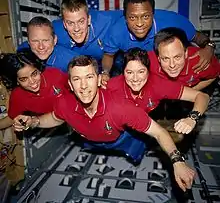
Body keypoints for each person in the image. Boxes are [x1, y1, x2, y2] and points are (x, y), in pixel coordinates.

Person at [13, 55, 195, 192]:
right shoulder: (64, 103)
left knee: (137, 150)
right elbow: (54, 117)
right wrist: (35, 121)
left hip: (123, 138)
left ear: (99, 79)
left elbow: (159, 132)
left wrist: (177, 162)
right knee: (93, 144)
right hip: (89, 140)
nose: (83, 86)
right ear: (69, 83)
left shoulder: (122, 108)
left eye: (89, 77)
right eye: (77, 79)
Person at [101, 0, 216, 85]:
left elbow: (197, 36)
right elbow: (108, 55)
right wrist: (105, 72)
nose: (140, 23)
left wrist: (209, 46)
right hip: (137, 68)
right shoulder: (116, 31)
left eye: (146, 16)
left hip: (169, 69)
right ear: (125, 17)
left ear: (153, 14)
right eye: (132, 18)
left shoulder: (174, 22)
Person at [106, 47, 209, 135]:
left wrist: (192, 118)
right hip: (115, 128)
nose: (135, 78)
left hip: (142, 128)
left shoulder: (158, 85)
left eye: (141, 71)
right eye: (129, 72)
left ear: (148, 72)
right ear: (123, 73)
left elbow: (202, 96)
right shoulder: (111, 86)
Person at [0, 51, 68, 130]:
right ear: (16, 81)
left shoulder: (55, 75)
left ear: (39, 69)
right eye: (23, 79)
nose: (32, 82)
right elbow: (12, 118)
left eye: (34, 74)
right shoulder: (17, 97)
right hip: (51, 121)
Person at [52, 0, 123, 68]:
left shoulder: (105, 20)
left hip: (113, 62)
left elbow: (128, 14)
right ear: (64, 24)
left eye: (81, 21)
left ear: (89, 20)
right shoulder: (55, 29)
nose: (76, 29)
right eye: (70, 23)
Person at [149, 27, 219, 90]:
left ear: (186, 54)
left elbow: (214, 75)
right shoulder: (149, 61)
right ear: (158, 58)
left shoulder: (200, 61)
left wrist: (190, 92)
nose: (172, 65)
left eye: (177, 57)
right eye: (165, 59)